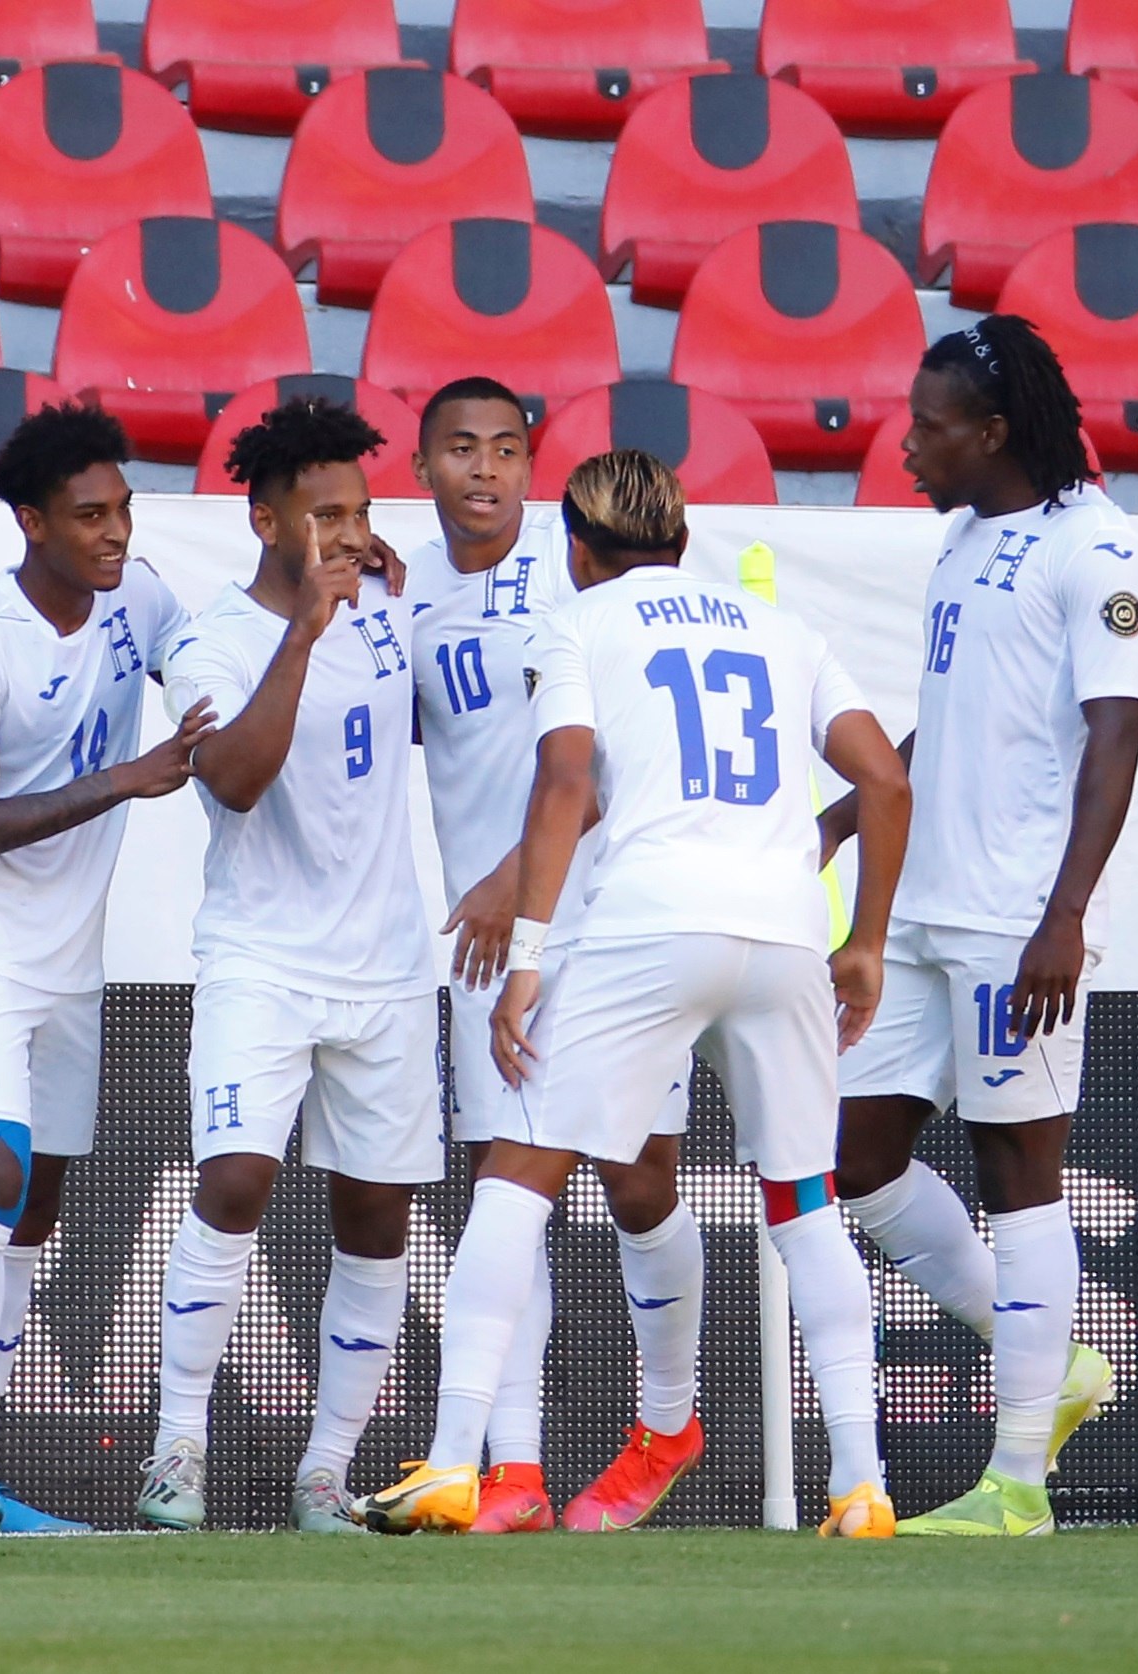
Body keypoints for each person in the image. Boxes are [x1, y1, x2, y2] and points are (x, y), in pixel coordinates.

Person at [359, 449, 910, 1538]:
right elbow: (885, 779)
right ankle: (863, 1485)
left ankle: (456, 1461)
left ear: (576, 548)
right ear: (685, 539)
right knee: (805, 1205)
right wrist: (869, 941)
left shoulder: (580, 625)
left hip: (651, 924)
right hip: (786, 931)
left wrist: (526, 959)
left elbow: (569, 780)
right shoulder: (782, 631)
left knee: (518, 1175)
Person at [820, 316, 1138, 1537]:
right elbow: (947, 720)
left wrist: (1063, 914)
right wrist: (846, 816)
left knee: (1021, 1181)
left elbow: (1118, 734)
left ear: (995, 433)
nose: (909, 448)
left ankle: (1018, 1484)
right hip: (919, 912)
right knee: (856, 1155)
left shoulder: (1095, 545)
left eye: (932, 427)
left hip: (1017, 921)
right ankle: (1055, 1373)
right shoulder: (960, 544)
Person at [400, 378, 708, 1535]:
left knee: (641, 1185)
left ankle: (667, 1419)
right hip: (499, 948)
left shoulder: (582, 573)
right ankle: (513, 1473)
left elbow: (593, 765)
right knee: (508, 1189)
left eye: (506, 451)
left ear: (533, 468)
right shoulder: (404, 591)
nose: (484, 470)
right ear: (423, 465)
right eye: (460, 450)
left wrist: (504, 882)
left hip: (606, 920)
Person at [0, 402, 213, 1535]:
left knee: (32, 1206)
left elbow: (200, 659)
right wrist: (127, 779)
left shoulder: (142, 596)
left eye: (123, 509)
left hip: (69, 962)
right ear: (30, 522)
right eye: (90, 515)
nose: (116, 532)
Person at [136, 398, 441, 1534]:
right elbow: (236, 779)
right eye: (326, 516)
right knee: (235, 1182)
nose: (351, 535)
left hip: (390, 969)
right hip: (261, 958)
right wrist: (306, 631)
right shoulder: (213, 638)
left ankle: (327, 1472)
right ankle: (178, 1447)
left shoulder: (394, 612)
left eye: (360, 512)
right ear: (265, 520)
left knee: (377, 1217)